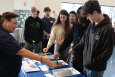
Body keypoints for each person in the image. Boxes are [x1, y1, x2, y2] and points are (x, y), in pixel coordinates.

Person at [0, 12, 54, 77]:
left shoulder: (5, 33)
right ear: (5, 21)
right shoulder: (3, 35)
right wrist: (42, 59)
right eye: (14, 23)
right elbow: (20, 51)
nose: (16, 26)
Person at [69, 0, 114, 77]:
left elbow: (107, 53)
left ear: (95, 13)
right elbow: (84, 39)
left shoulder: (107, 29)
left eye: (88, 16)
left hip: (95, 69)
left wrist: (91, 62)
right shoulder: (91, 25)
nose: (87, 18)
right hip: (86, 66)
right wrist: (74, 48)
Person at [53, 6, 90, 74]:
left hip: (86, 60)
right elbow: (68, 39)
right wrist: (59, 51)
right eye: (78, 17)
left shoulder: (90, 27)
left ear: (86, 17)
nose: (79, 20)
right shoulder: (76, 25)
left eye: (81, 18)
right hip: (76, 57)